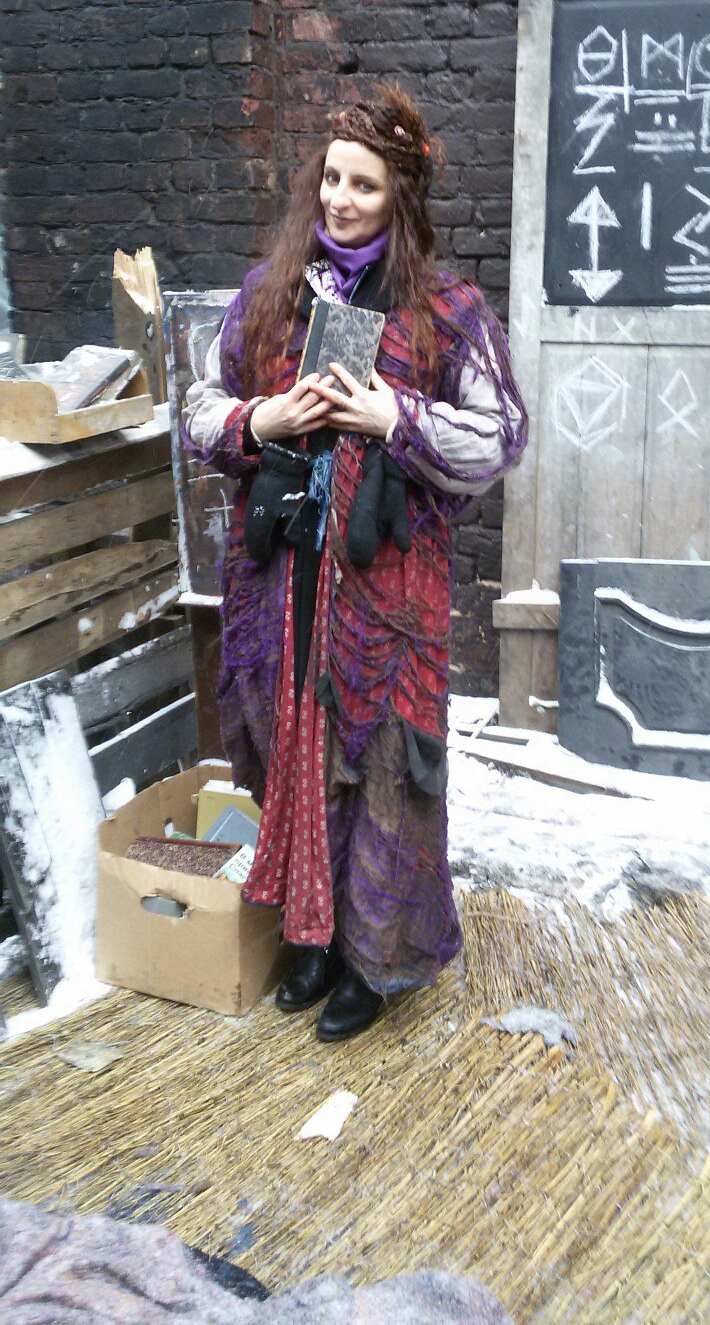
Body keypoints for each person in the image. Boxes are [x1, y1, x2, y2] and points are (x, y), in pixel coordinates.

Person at [184, 85, 527, 1041]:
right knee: (294, 751)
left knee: (381, 771)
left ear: (399, 199)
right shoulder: (271, 295)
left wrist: (395, 416)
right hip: (282, 580)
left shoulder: (445, 312)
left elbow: (500, 434)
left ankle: (374, 963)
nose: (340, 199)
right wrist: (262, 417)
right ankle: (317, 939)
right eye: (332, 178)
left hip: (386, 598)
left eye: (364, 186)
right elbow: (199, 407)